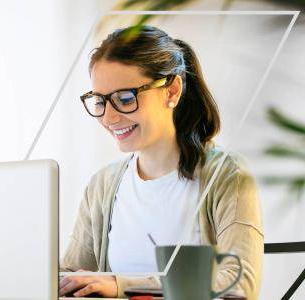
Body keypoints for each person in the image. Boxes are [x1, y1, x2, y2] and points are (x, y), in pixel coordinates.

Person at [58, 25, 264, 299]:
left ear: (172, 91)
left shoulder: (227, 175)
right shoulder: (103, 185)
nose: (108, 118)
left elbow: (240, 284)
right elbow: (72, 277)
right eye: (100, 101)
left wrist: (122, 284)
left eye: (125, 98)